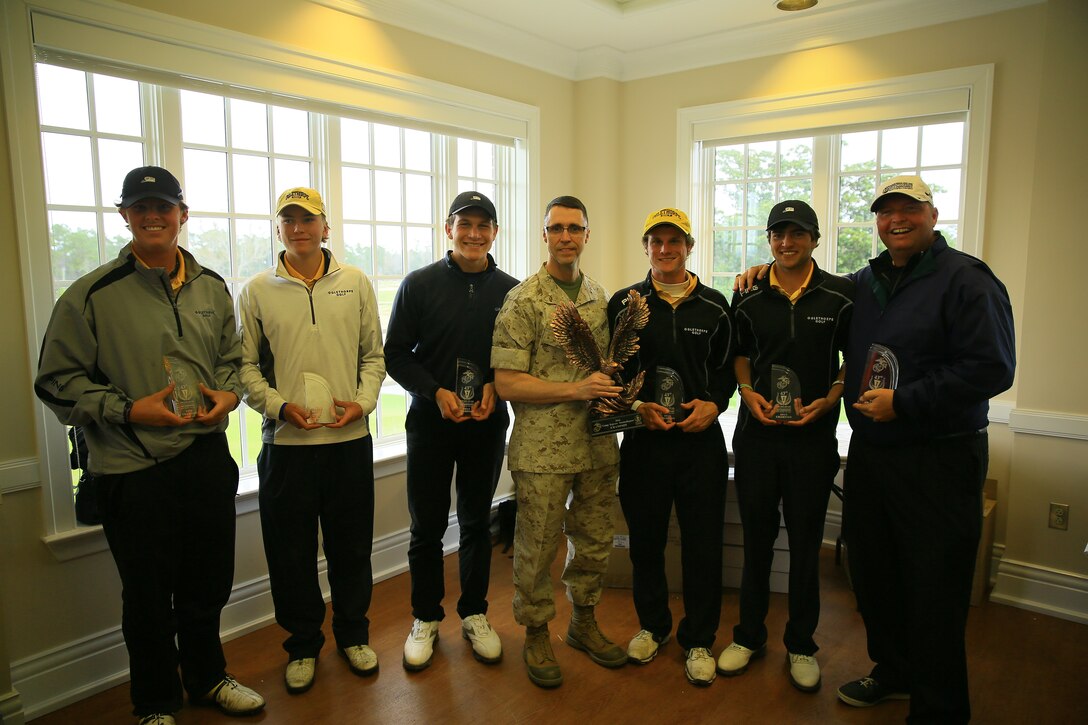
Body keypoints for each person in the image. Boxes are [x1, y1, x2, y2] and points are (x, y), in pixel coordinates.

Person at [34, 166, 265, 725]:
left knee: (207, 585)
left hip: (206, 460)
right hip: (131, 469)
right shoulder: (90, 295)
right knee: (146, 597)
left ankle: (208, 677)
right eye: (141, 208)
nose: (153, 215)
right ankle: (155, 702)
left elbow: (234, 363)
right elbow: (56, 382)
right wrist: (129, 409)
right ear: (125, 217)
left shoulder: (212, 286)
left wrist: (229, 398)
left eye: (164, 206)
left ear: (183, 215)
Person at [836, 175, 1014, 722]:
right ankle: (894, 673)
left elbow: (993, 368)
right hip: (872, 456)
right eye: (887, 211)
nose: (897, 220)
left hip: (940, 457)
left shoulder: (967, 280)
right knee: (874, 576)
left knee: (934, 588)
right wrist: (759, 275)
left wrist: (906, 402)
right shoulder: (864, 283)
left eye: (909, 209)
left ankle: (939, 708)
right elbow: (808, 296)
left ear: (932, 214)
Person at [237, 187, 385, 694]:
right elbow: (245, 367)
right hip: (287, 448)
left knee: (351, 549)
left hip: (348, 441)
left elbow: (374, 357)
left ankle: (353, 635)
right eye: (289, 219)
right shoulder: (257, 290)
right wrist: (279, 407)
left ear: (326, 228)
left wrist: (362, 404)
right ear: (278, 229)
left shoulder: (357, 282)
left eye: (309, 219)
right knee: (291, 555)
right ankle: (302, 645)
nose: (298, 227)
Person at [491, 195, 626, 688]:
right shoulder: (524, 301)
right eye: (557, 228)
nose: (566, 236)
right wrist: (577, 388)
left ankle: (583, 622)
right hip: (543, 447)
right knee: (538, 545)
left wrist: (610, 377)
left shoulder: (597, 295)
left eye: (575, 228)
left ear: (587, 235)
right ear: (543, 235)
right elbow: (507, 382)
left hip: (596, 443)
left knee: (593, 539)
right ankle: (536, 633)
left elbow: (601, 364)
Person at [719, 200, 853, 693]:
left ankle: (801, 645)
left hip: (813, 439)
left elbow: (853, 360)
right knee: (757, 542)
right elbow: (738, 354)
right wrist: (746, 391)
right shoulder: (749, 293)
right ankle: (749, 637)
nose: (786, 243)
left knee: (803, 544)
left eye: (797, 234)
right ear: (769, 239)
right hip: (756, 437)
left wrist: (832, 399)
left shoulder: (842, 295)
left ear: (815, 239)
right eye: (778, 234)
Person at [384, 191, 518, 671]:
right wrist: (434, 392)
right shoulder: (418, 285)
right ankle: (425, 618)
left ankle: (475, 613)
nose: (474, 234)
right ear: (448, 229)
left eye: (484, 226)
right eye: (465, 225)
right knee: (427, 527)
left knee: (478, 522)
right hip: (431, 423)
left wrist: (494, 389)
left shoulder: (511, 290)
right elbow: (395, 353)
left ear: (495, 233)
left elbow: (519, 360)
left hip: (486, 423)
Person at [608, 208, 735, 686]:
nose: (666, 249)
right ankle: (653, 625)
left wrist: (716, 404)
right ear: (646, 247)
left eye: (674, 241)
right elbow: (612, 373)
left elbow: (727, 372)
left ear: (689, 246)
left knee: (703, 545)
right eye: (656, 241)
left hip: (700, 443)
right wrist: (636, 407)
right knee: (646, 543)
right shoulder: (625, 304)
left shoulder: (716, 306)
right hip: (645, 443)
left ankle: (699, 639)